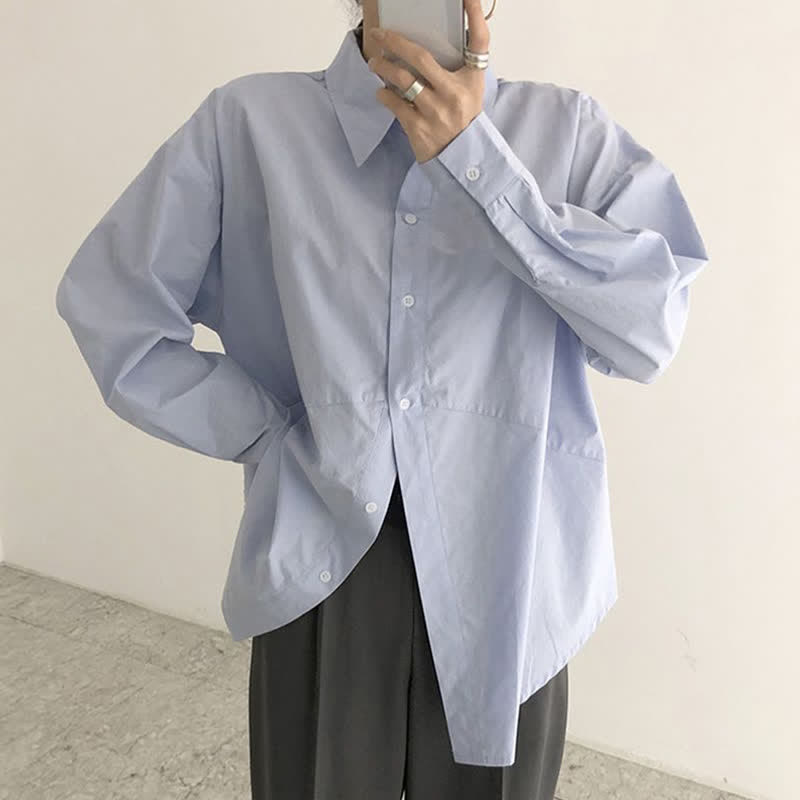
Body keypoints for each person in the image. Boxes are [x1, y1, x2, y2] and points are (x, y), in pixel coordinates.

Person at [54, 0, 709, 797]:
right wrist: (269, 435)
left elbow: (651, 333)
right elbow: (113, 310)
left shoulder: (568, 134)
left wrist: (480, 165)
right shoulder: (250, 125)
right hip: (323, 560)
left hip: (514, 567)